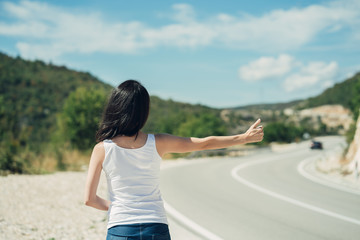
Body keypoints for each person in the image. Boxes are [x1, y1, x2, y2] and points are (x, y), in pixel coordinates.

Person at [84, 80, 264, 240]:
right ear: (143, 112)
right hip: (155, 227)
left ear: (115, 108)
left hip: (120, 229)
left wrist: (120, 208)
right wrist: (243, 138)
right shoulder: (158, 142)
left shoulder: (102, 149)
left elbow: (90, 199)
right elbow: (203, 143)